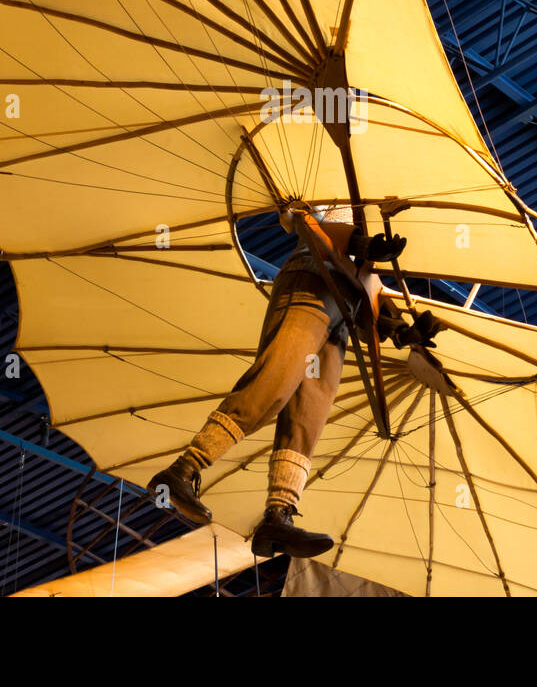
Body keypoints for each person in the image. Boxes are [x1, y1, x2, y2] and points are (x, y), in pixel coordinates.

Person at [148, 202, 435, 558]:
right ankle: (183, 469)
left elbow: (367, 292)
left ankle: (279, 513)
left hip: (344, 313)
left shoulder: (377, 221)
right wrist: (361, 243)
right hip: (312, 281)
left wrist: (401, 331)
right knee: (274, 381)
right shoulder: (338, 187)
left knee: (308, 415)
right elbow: (301, 218)